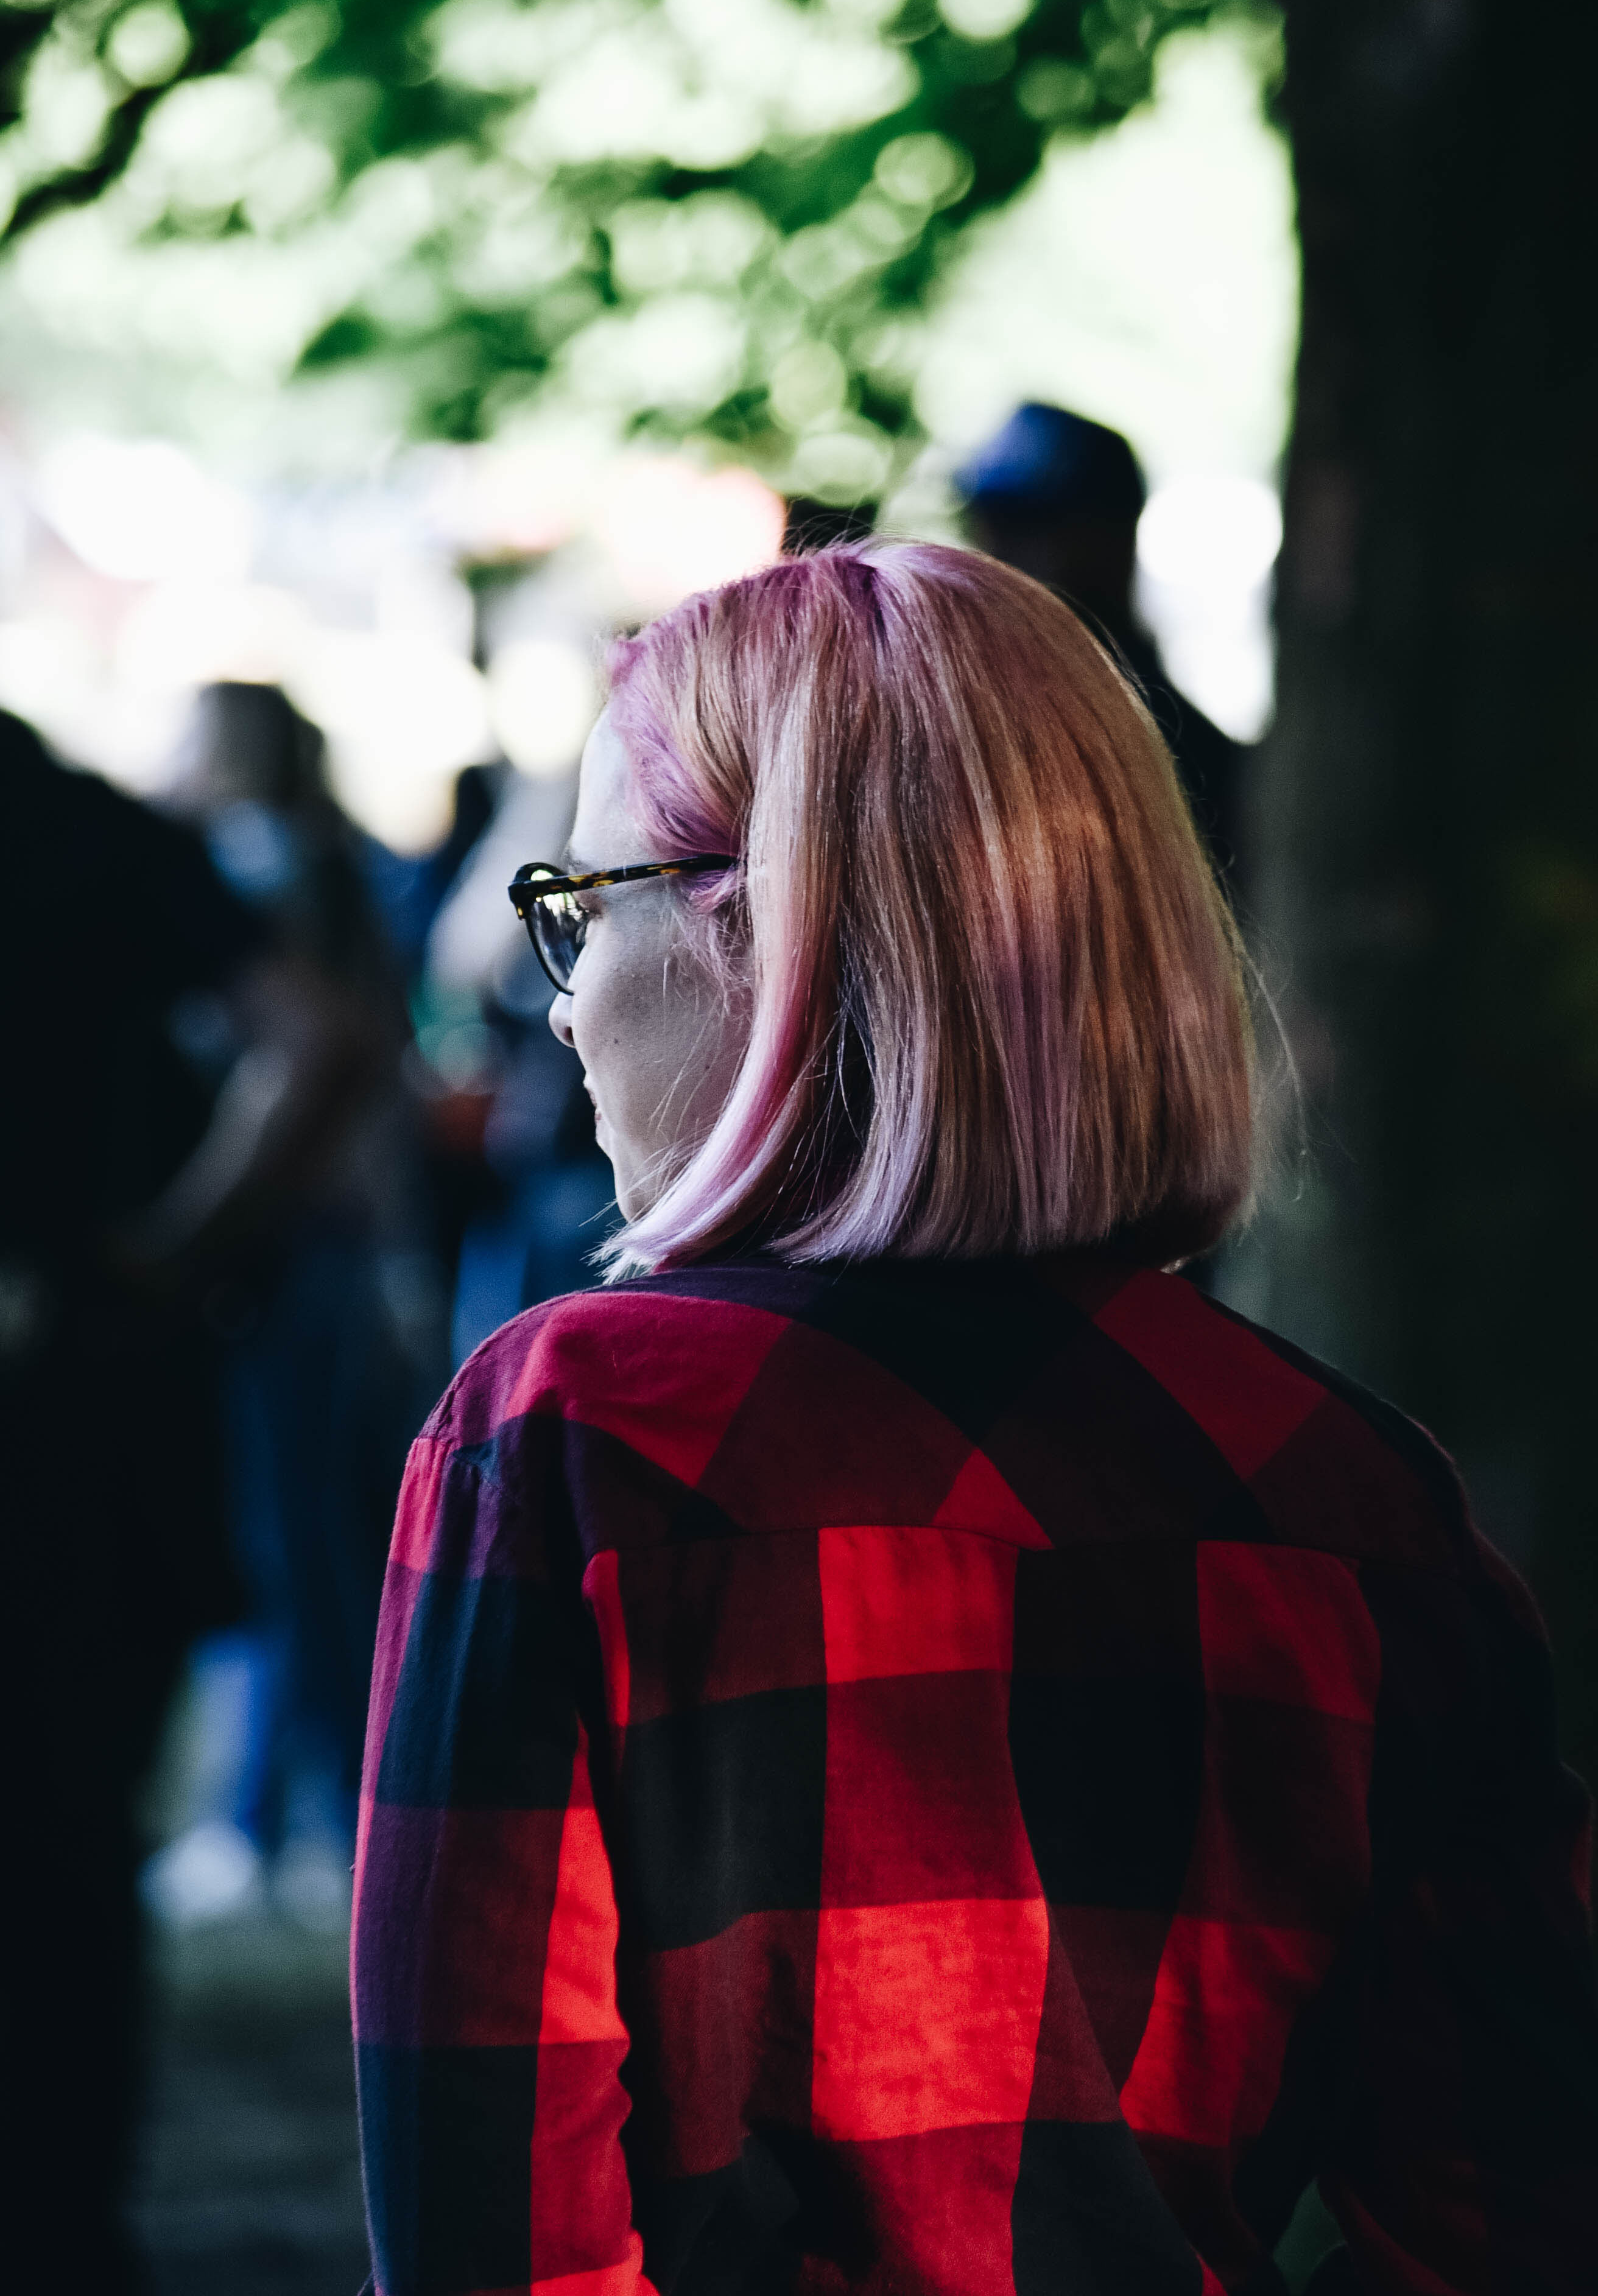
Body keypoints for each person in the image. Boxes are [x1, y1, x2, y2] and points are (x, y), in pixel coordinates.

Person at [351, 548, 1597, 2296]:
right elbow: (1522, 2213)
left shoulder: (569, 1440)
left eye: (581, 903)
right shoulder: (1359, 1503)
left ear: (754, 932)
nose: (557, 997)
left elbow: (490, 2236)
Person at [0, 707, 365, 2288]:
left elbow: (321, 1044)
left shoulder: (95, 832)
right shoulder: (96, 830)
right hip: (95, 1414)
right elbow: (321, 1042)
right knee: (75, 1857)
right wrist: (169, 1252)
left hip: (82, 1422)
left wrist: (168, 1252)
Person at [149, 680, 445, 1922]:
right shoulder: (325, 864)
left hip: (296, 1248)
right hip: (322, 1246)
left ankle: (299, 1811)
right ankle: (291, 1807)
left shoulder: (265, 874)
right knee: (308, 1531)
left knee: (301, 1534)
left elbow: (341, 1054)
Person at [957, 401, 1244, 888]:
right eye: (988, 527)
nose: (992, 560)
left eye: (1027, 528)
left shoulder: (1185, 752)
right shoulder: (968, 715)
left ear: (1110, 537)